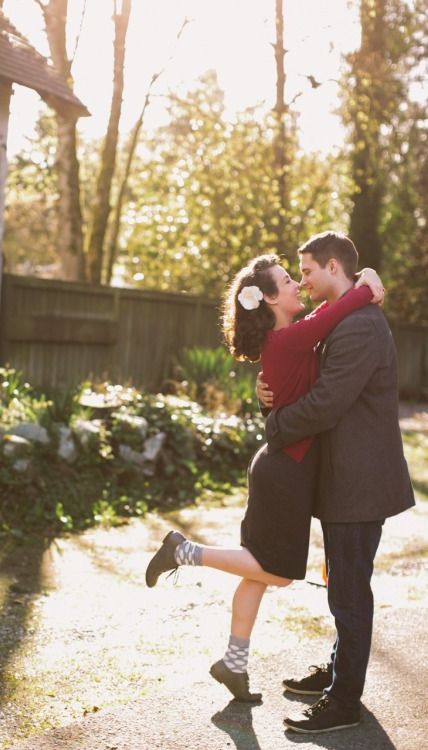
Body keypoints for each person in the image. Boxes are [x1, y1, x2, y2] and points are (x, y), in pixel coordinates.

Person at [145, 251, 384, 704]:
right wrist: (367, 283)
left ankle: (233, 665)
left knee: (257, 571)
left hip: (280, 463)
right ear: (271, 299)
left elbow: (324, 314)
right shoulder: (292, 339)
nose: (297, 284)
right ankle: (184, 550)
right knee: (275, 574)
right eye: (288, 280)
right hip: (286, 470)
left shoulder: (288, 338)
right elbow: (344, 306)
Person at [256, 231, 415, 734]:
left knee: (348, 591)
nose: (301, 280)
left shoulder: (360, 326)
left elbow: (326, 402)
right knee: (342, 585)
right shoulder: (343, 318)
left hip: (359, 482)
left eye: (305, 271)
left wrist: (275, 426)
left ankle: (344, 702)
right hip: (341, 480)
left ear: (331, 266)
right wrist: (266, 392)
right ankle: (341, 671)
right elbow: (297, 368)